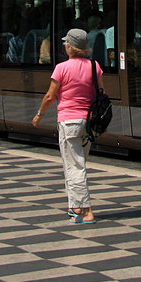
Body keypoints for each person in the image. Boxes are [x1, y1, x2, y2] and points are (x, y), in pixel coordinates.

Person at [31, 29, 100, 224]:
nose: (64, 46)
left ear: (70, 46)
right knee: (77, 164)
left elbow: (50, 96)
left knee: (74, 167)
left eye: (66, 43)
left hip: (69, 122)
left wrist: (39, 115)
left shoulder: (61, 68)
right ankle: (75, 207)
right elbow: (100, 92)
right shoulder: (95, 66)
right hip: (89, 122)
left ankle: (86, 211)